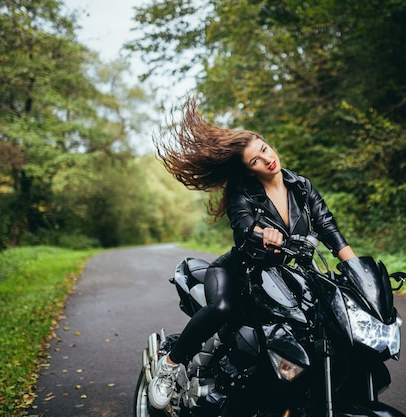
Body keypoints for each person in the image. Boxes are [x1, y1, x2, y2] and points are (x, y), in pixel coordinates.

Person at [148, 94, 356, 410]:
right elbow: (243, 225)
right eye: (255, 160)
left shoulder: (301, 186)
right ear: (249, 169)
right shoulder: (242, 192)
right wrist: (264, 234)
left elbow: (329, 229)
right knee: (221, 309)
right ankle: (170, 365)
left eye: (264, 149)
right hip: (237, 271)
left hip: (280, 277)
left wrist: (355, 270)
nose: (266, 158)